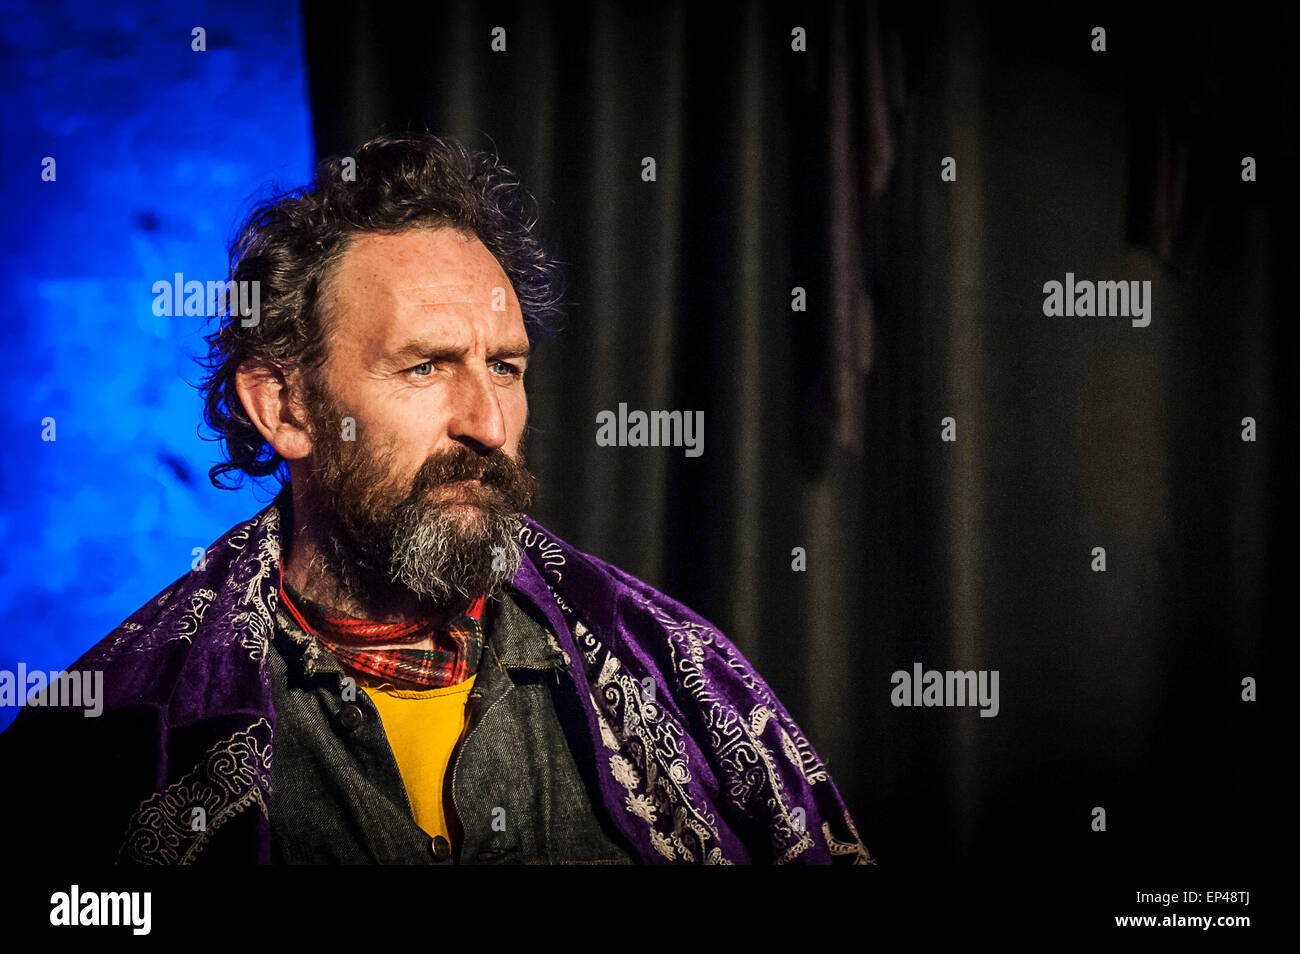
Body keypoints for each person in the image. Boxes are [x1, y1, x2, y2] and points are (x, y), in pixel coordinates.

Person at [0, 133, 871, 865]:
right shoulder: (119, 736)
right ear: (286, 405)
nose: (489, 422)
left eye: (506, 367)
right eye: (426, 366)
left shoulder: (687, 683)